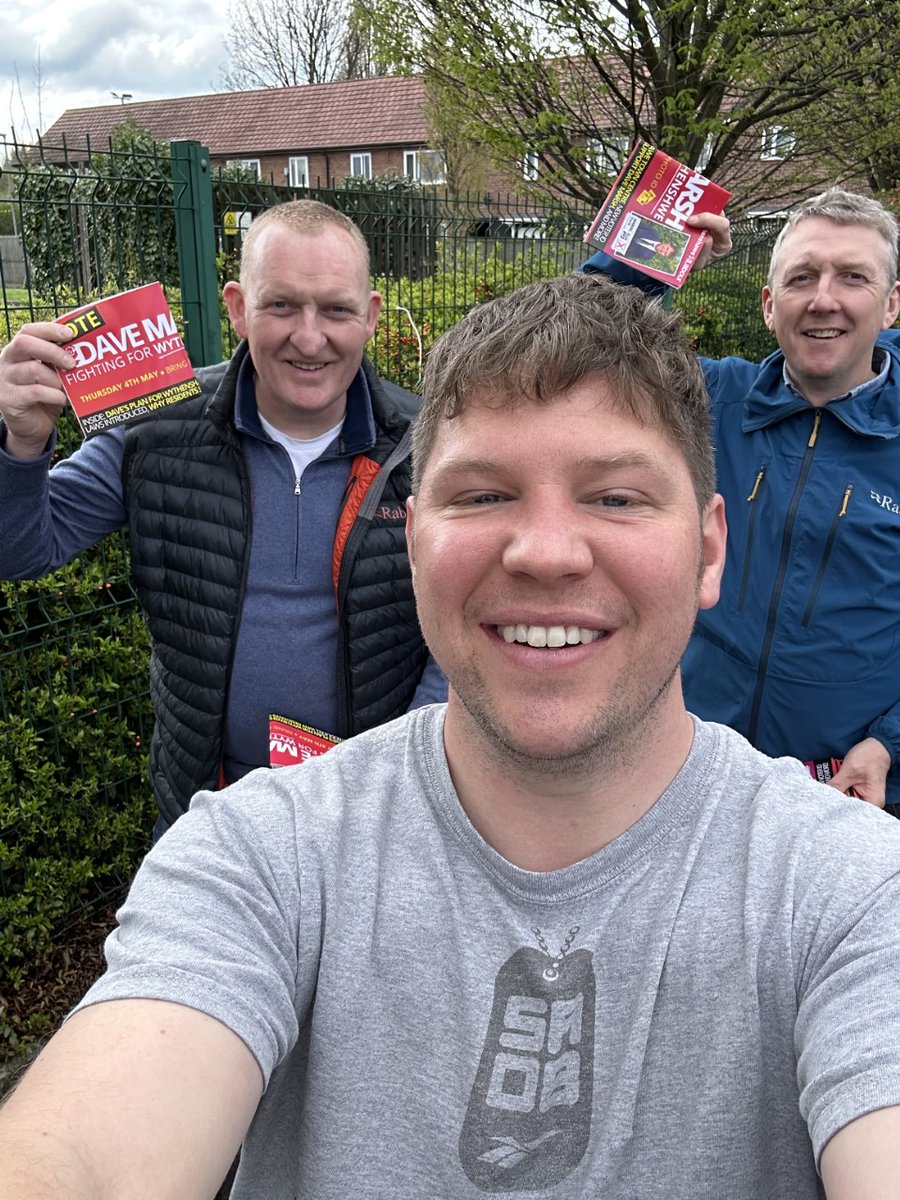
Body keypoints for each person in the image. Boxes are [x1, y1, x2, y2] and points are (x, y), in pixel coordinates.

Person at [2, 271, 900, 1199]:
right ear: (416, 531)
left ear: (711, 549)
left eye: (617, 498)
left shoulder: (856, 893)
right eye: (481, 496)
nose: (545, 551)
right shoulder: (258, 857)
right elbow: (86, 1152)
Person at [0, 199, 446, 832]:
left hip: (373, 818)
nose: (310, 337)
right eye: (281, 305)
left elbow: (471, 616)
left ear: (370, 316)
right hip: (206, 815)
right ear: (238, 307)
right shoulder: (156, 430)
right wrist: (19, 443)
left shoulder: (431, 445)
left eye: (336, 309)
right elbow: (20, 550)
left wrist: (407, 776)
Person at [584, 186, 900, 814]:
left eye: (853, 278)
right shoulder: (707, 400)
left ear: (892, 304)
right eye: (801, 277)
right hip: (681, 768)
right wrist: (651, 261)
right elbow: (581, 342)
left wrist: (889, 744)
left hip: (844, 790)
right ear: (768, 304)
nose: (823, 299)